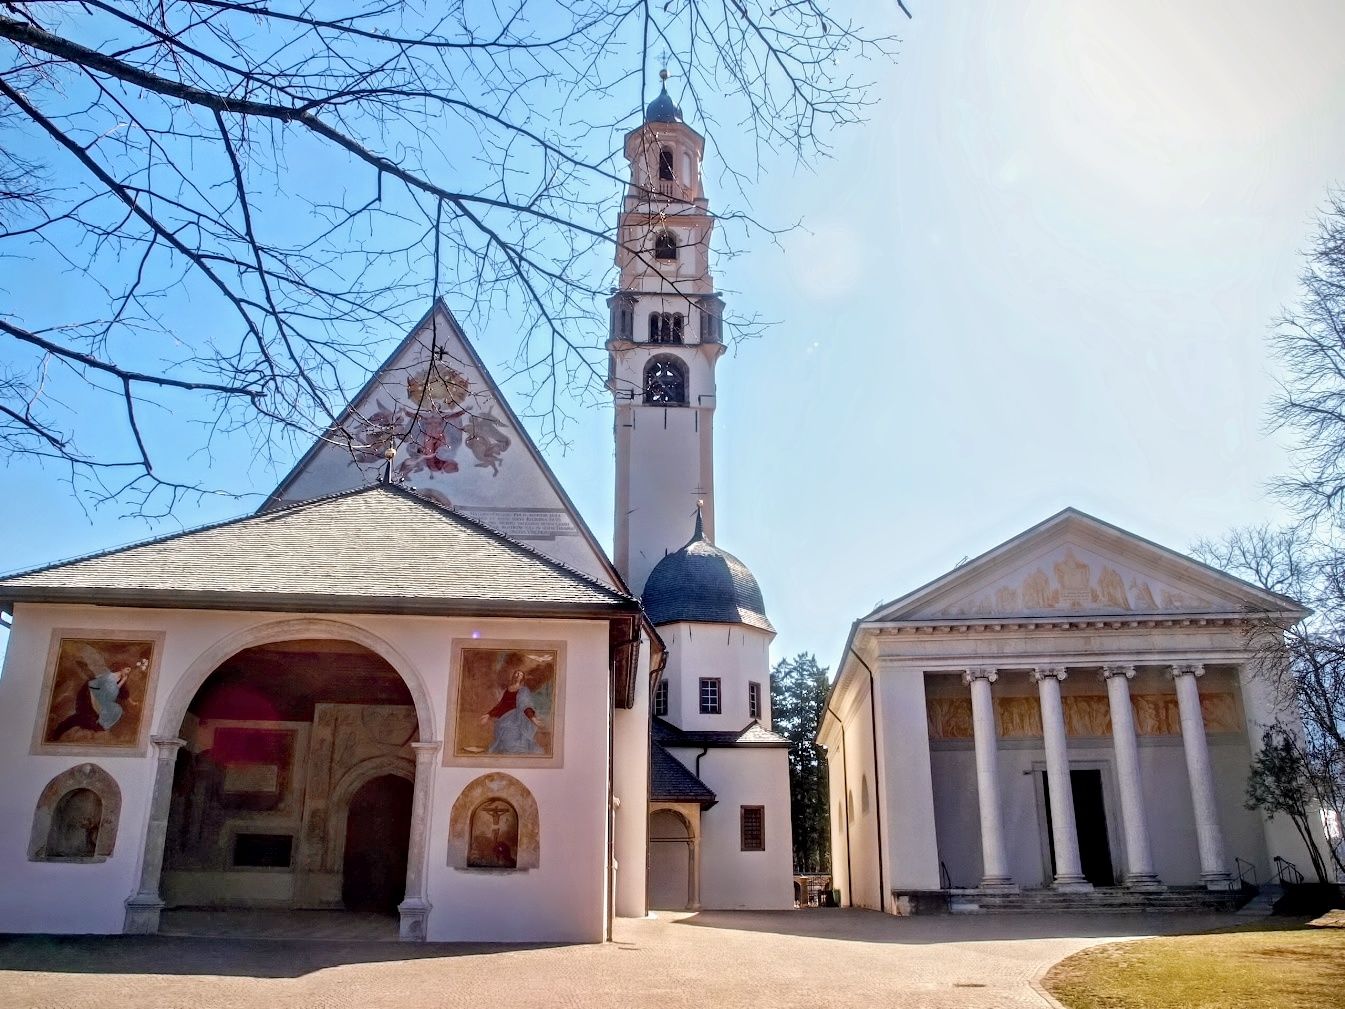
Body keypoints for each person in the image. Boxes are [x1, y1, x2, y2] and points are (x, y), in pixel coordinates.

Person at [479, 664, 544, 754]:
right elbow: (501, 705)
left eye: (520, 674)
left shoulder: (524, 690)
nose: (518, 675)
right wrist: (488, 714)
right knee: (504, 738)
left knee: (514, 742)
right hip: (506, 717)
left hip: (518, 718)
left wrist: (533, 719)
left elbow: (526, 706)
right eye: (517, 673)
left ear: (522, 678)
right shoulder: (508, 689)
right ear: (514, 675)